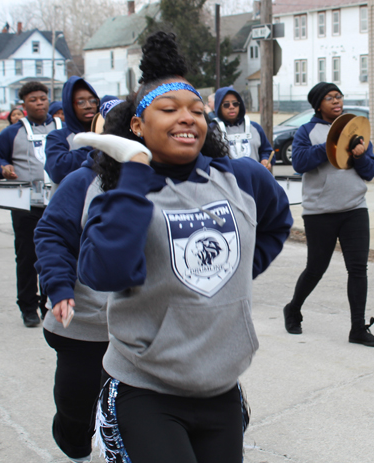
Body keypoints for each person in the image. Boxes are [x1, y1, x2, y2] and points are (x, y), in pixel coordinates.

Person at [72, 32, 292, 463]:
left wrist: (233, 275)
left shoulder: (240, 177)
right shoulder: (112, 190)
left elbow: (276, 224)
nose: (187, 118)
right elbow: (105, 273)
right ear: (137, 125)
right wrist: (135, 171)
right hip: (146, 387)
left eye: (197, 110)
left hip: (221, 385)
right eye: (169, 110)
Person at [33, 100, 125, 463]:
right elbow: (52, 235)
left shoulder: (164, 182)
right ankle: (76, 452)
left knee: (135, 412)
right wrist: (58, 287)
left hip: (142, 329)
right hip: (83, 325)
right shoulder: (81, 182)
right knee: (76, 410)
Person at [283, 82, 374, 347]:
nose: (337, 101)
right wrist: (332, 144)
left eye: (339, 96)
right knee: (316, 268)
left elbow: (370, 171)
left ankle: (358, 329)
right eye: (330, 97)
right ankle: (293, 308)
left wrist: (360, 155)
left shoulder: (355, 128)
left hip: (354, 209)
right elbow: (300, 162)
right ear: (318, 104)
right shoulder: (306, 131)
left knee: (358, 269)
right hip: (320, 212)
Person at [0, 81, 61, 327]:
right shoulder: (11, 133)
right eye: (33, 100)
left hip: (58, 204)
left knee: (57, 256)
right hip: (26, 206)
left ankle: (51, 304)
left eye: (42, 98)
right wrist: (1, 167)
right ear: (24, 105)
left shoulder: (63, 128)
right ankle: (28, 306)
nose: (39, 103)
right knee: (27, 256)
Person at [44, 76, 99, 185]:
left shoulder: (107, 133)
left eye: (93, 101)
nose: (88, 106)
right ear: (69, 105)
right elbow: (58, 170)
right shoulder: (57, 137)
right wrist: (96, 147)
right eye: (80, 102)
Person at [212, 86, 273, 169]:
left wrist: (265, 159)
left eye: (235, 103)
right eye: (226, 104)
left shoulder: (255, 127)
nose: (231, 107)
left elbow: (266, 150)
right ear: (219, 107)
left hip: (254, 178)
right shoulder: (212, 130)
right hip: (225, 179)